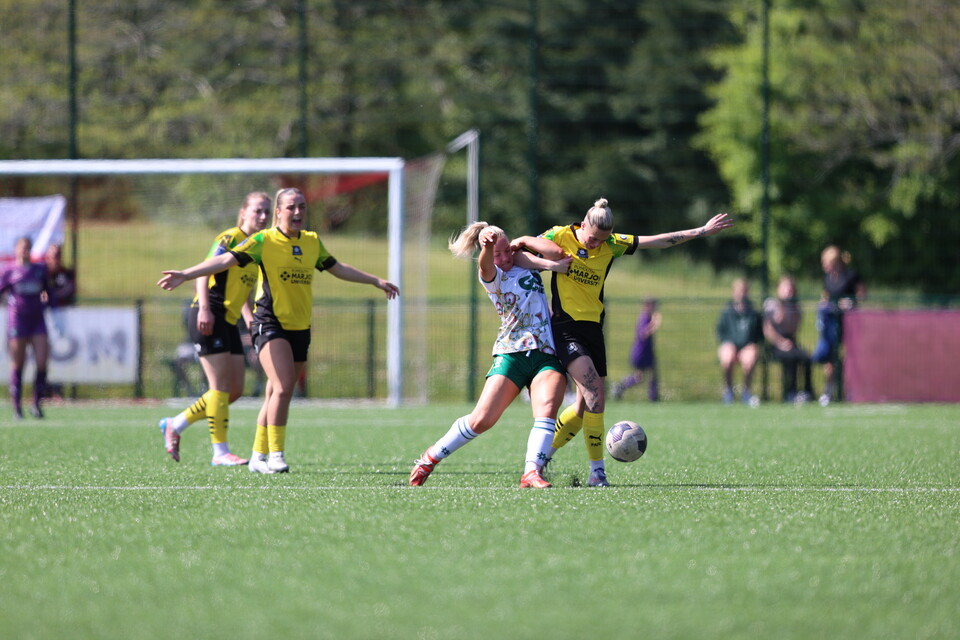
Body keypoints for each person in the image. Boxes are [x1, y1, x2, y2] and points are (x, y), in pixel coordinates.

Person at [158, 187, 399, 474]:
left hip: (299, 325)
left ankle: (258, 456)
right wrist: (186, 274)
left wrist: (375, 281)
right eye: (291, 207)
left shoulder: (311, 242)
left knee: (274, 390)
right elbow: (224, 261)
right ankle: (275, 454)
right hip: (269, 323)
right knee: (284, 386)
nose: (297, 212)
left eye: (302, 207)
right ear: (279, 212)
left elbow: (337, 267)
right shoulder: (263, 240)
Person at [512, 198, 733, 487]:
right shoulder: (559, 235)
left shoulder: (612, 244)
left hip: (593, 329)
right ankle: (597, 472)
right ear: (583, 223)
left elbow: (658, 241)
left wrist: (700, 231)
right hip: (565, 328)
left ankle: (538, 462)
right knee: (595, 394)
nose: (595, 245)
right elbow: (517, 257)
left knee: (582, 408)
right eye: (592, 239)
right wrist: (551, 264)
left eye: (601, 241)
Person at [409, 222, 572, 489]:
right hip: (511, 353)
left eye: (507, 250)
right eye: (499, 254)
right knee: (482, 420)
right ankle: (430, 458)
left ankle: (531, 473)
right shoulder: (492, 274)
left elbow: (556, 253)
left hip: (545, 352)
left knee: (546, 411)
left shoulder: (524, 259)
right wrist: (487, 247)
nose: (505, 258)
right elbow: (485, 265)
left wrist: (524, 240)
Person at [156, 191, 271, 466]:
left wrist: (249, 319)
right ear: (243, 212)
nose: (264, 216)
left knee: (235, 391)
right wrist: (205, 308)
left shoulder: (257, 247)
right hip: (209, 314)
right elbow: (206, 271)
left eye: (267, 211)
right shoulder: (229, 238)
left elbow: (244, 291)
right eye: (258, 210)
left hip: (229, 319)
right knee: (218, 387)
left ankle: (176, 422)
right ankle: (220, 453)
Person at [0, 237, 50, 419]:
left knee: (42, 361)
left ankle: (36, 404)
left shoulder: (40, 270)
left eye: (28, 247)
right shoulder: (8, 271)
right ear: (15, 250)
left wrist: (51, 306)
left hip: (37, 319)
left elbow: (48, 292)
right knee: (18, 363)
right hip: (18, 320)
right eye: (22, 248)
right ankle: (16, 408)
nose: (25, 251)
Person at [812, 245, 866, 405]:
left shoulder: (850, 275)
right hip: (831, 323)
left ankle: (849, 390)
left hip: (849, 324)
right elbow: (825, 296)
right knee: (830, 358)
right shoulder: (827, 278)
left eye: (826, 262)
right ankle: (828, 390)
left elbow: (862, 294)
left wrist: (851, 302)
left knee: (848, 357)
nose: (824, 266)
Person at [763, 274, 814, 403]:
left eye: (791, 289)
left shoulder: (795, 308)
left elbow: (794, 329)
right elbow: (768, 330)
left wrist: (791, 313)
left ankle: (807, 391)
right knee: (790, 357)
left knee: (806, 357)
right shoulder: (772, 305)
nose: (788, 291)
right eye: (785, 288)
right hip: (775, 345)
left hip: (791, 342)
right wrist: (780, 342)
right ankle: (789, 392)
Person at [716, 277, 763, 406]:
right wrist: (729, 344)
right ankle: (729, 391)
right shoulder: (727, 312)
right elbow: (721, 332)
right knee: (727, 357)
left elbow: (758, 335)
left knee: (750, 357)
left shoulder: (753, 313)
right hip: (731, 345)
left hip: (747, 345)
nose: (741, 293)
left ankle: (746, 392)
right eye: (738, 290)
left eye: (744, 290)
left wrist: (751, 345)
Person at [42, 243, 77, 400]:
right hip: (41, 316)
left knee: (59, 353)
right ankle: (42, 389)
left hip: (61, 316)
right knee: (42, 354)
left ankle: (57, 389)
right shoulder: (41, 273)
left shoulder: (66, 273)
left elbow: (69, 291)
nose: (54, 258)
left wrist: (51, 296)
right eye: (51, 255)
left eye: (57, 255)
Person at [611, 298, 661, 402]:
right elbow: (643, 334)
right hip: (641, 352)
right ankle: (621, 387)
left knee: (649, 375)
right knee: (641, 376)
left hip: (647, 352)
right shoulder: (644, 318)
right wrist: (654, 324)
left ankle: (653, 397)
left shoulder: (646, 317)